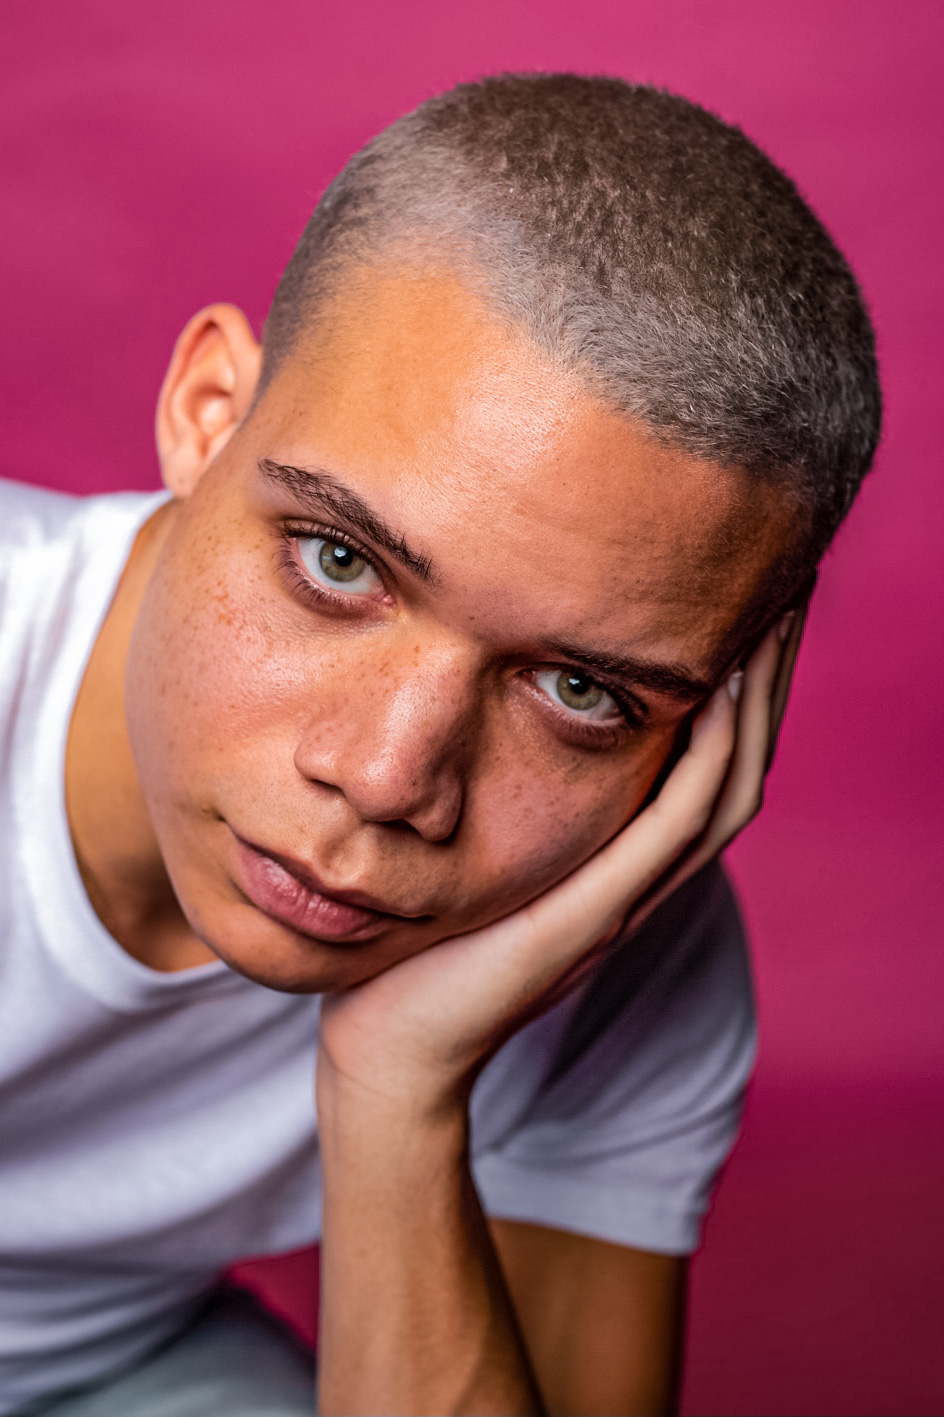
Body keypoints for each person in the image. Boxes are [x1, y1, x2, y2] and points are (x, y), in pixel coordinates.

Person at [0, 73, 880, 1416]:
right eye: (338, 561)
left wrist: (398, 1092)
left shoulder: (624, 950)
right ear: (208, 411)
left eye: (580, 690)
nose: (385, 779)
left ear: (720, 707)